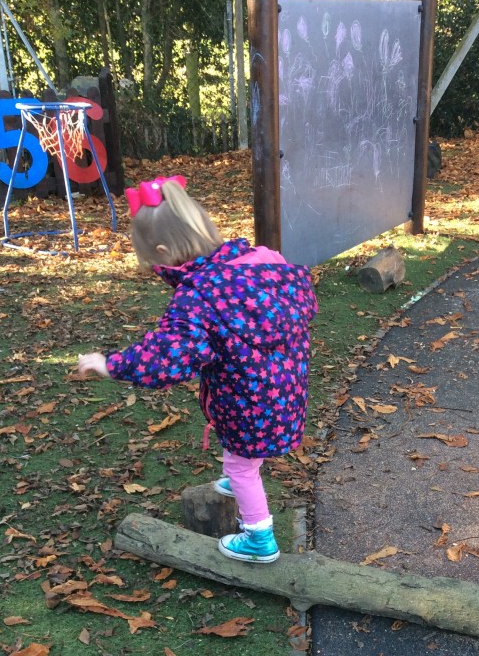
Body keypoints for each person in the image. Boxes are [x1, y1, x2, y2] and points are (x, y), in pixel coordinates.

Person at [78, 175, 318, 563]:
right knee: (245, 456)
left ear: (162, 251)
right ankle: (241, 478)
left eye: (152, 263)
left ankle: (259, 539)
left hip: (248, 399)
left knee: (241, 465)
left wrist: (112, 364)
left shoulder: (199, 296)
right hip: (285, 387)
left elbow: (167, 356)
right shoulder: (264, 261)